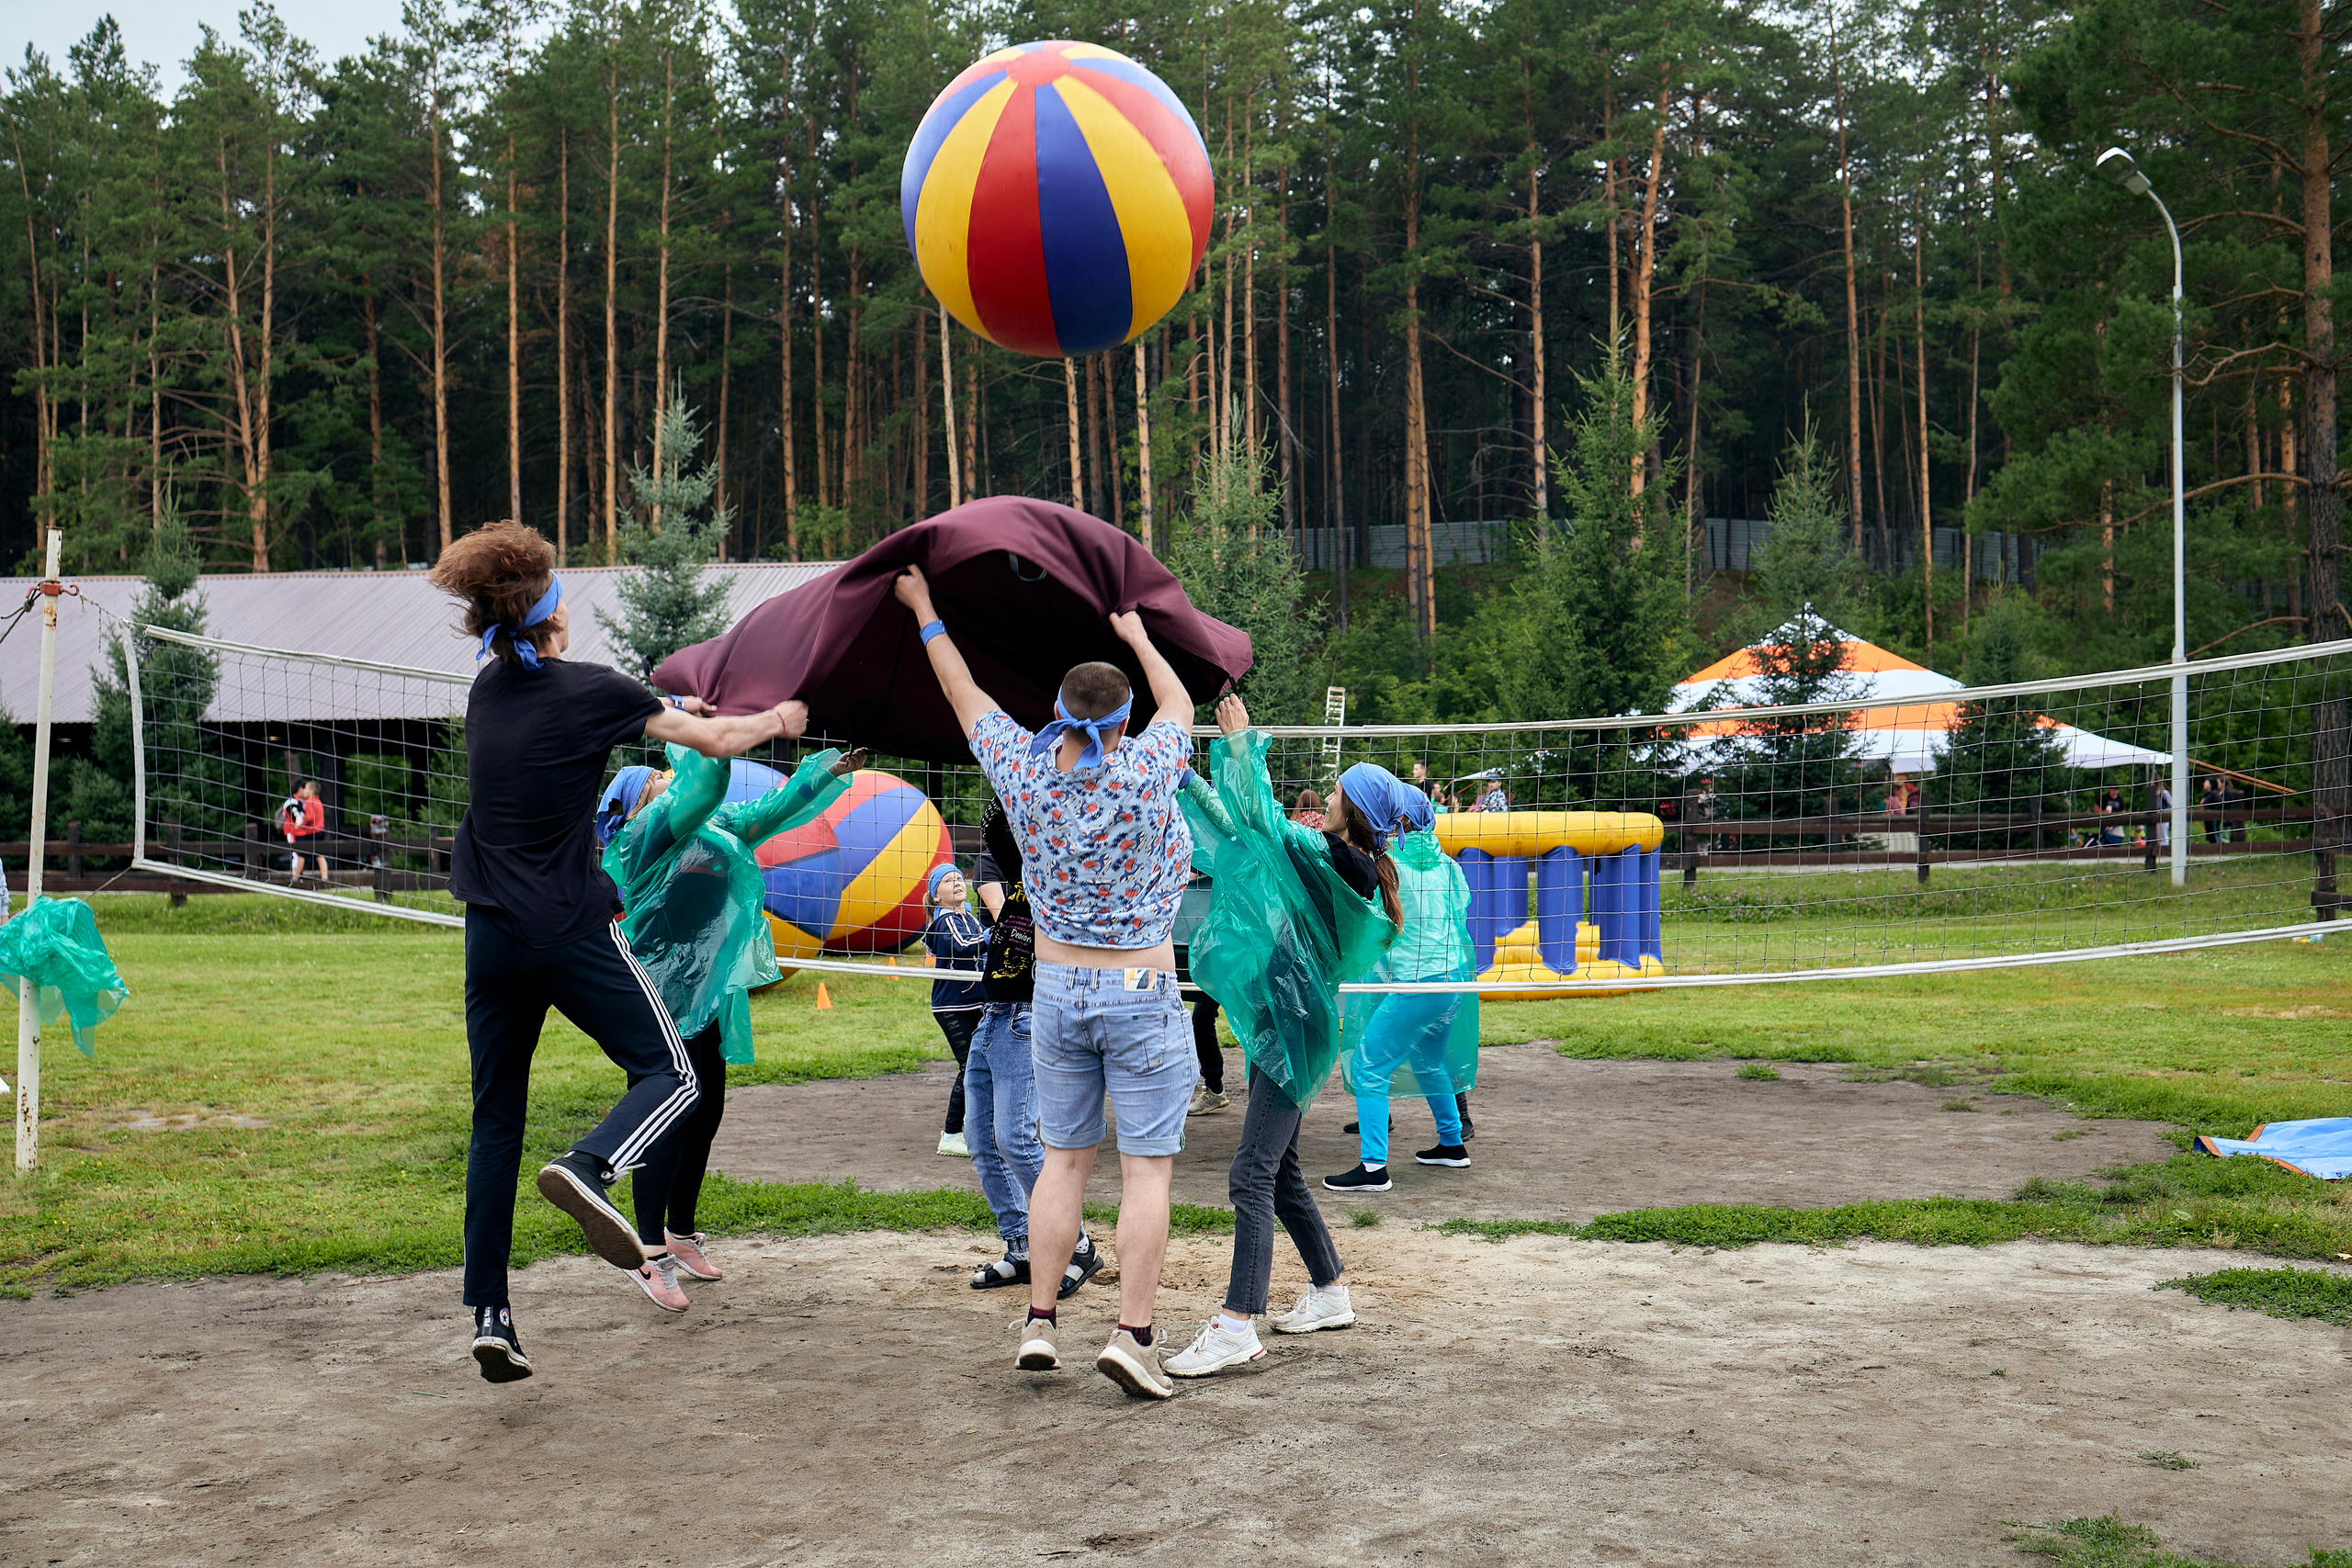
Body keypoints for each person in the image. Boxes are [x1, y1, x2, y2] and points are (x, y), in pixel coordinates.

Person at [431, 521, 809, 1385]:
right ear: (555, 616)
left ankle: (491, 1312)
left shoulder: (489, 690)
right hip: (564, 929)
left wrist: (674, 716)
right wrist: (777, 718)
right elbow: (712, 744)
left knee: (495, 1125)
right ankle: (589, 1162)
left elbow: (638, 722)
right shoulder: (591, 687)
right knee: (672, 1075)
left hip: (488, 937)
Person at [894, 562, 1196, 1401]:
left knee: (1063, 1164)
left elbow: (961, 690)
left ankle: (1039, 1322)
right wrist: (1138, 635)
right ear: (1124, 717)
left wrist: (923, 609)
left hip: (1055, 990)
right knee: (1147, 1172)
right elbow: (1182, 707)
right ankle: (1132, 1336)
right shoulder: (1146, 767)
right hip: (1141, 987)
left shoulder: (1021, 772)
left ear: (1058, 711)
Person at [1163, 695, 1400, 1379]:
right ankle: (1329, 1290)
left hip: (1294, 1027)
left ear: (1352, 809)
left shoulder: (1340, 862)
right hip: (1291, 1019)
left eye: (1335, 791)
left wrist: (1238, 746)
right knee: (1281, 1168)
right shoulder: (1336, 856)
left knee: (1250, 1173)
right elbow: (1246, 835)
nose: (1325, 796)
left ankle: (1237, 1320)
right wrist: (1191, 781)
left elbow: (1265, 822)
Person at [597, 740, 859, 1311]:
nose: (669, 780)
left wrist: (820, 774)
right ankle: (648, 1252)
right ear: (638, 801)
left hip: (708, 993)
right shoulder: (646, 836)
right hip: (658, 995)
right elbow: (698, 787)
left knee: (707, 1109)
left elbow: (770, 811)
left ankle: (680, 1232)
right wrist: (702, 730)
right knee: (662, 1120)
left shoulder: (713, 826)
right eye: (657, 779)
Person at [965, 799, 1102, 1297]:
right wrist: (1010, 783)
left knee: (1016, 1139)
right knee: (980, 1140)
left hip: (1028, 1016)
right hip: (993, 1015)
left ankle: (1077, 1244)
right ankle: (1023, 1245)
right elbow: (998, 829)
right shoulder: (1025, 865)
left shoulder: (1067, 877)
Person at [1326, 762, 1480, 1193]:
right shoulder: (1448, 866)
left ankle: (1373, 1167)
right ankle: (1452, 1144)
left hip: (1418, 983)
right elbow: (1460, 912)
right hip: (1452, 981)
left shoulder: (1390, 864)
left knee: (1368, 1066)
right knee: (1431, 1061)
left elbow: (1374, 919)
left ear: (1398, 821)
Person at [923, 863, 987, 1157]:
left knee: (985, 1065)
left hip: (975, 1002)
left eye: (959, 878)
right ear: (936, 896)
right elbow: (964, 947)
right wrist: (998, 936)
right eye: (947, 881)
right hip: (952, 1006)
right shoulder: (945, 920)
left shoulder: (968, 916)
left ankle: (980, 1128)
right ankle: (950, 1135)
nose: (957, 882)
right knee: (969, 1067)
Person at [280, 779, 327, 884]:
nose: (304, 791)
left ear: (310, 791)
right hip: (319, 830)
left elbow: (310, 817)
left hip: (311, 832)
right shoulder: (317, 801)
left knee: (300, 855)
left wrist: (302, 822)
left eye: (306, 789)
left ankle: (295, 877)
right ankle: (324, 876)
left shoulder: (310, 802)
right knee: (319, 855)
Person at [2199, 777, 2223, 844]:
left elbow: (2219, 803)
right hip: (2208, 818)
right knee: (2210, 834)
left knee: (2214, 833)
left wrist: (2212, 812)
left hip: (2213, 818)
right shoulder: (2208, 794)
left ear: (2211, 784)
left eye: (2206, 782)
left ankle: (2218, 847)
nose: (2204, 784)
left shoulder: (2214, 793)